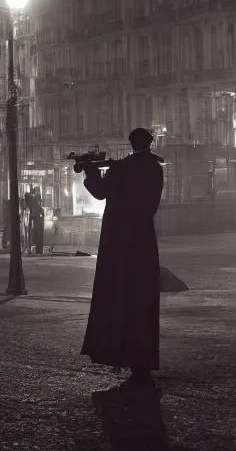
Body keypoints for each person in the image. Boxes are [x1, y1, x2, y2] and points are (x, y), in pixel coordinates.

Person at [80, 128, 165, 383]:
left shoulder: (122, 168)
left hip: (118, 238)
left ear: (130, 143)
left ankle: (118, 352)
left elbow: (99, 191)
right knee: (143, 298)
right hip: (144, 237)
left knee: (117, 293)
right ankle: (143, 360)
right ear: (150, 143)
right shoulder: (155, 167)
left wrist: (91, 171)